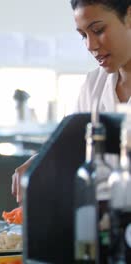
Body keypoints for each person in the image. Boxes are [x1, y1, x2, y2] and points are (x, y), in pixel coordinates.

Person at [12, 0, 131, 204]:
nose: (91, 45)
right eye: (84, 35)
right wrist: (42, 162)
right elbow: (72, 148)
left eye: (98, 30)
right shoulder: (93, 85)